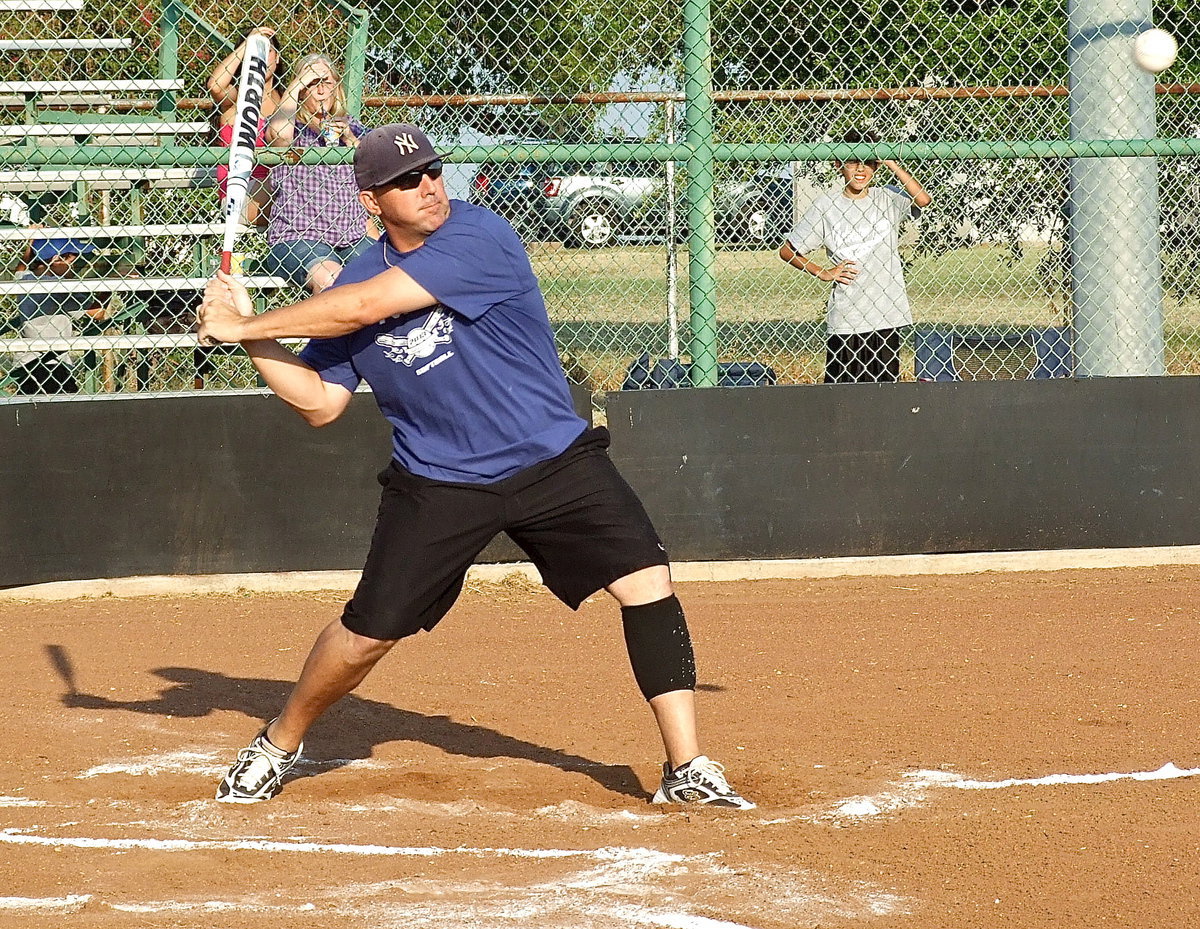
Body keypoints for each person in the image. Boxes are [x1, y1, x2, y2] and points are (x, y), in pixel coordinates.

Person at [197, 123, 754, 810]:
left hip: (548, 457)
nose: (429, 186)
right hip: (439, 480)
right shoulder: (355, 281)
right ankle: (278, 742)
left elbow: (366, 308)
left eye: (432, 170)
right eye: (407, 181)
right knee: (368, 633)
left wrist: (247, 326)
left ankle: (687, 764)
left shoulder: (478, 236)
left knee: (646, 579)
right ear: (371, 201)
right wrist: (251, 340)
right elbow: (319, 402)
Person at [779, 130, 932, 384]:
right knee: (843, 394)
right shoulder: (826, 206)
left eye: (869, 162)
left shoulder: (887, 197)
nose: (861, 170)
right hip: (848, 316)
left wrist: (891, 161)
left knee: (883, 391)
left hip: (885, 312)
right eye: (852, 162)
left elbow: (923, 199)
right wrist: (823, 271)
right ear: (839, 165)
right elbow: (788, 251)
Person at [261, 53, 374, 294]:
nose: (321, 89)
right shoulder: (292, 126)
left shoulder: (352, 126)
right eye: (312, 83)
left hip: (351, 236)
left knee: (382, 277)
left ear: (336, 87)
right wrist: (297, 84)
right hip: (298, 236)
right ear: (301, 91)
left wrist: (349, 139)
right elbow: (279, 137)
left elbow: (372, 165)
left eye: (326, 81)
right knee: (330, 278)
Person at [9, 237, 109, 394]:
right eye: (70, 260)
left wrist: (30, 241)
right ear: (56, 259)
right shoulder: (59, 287)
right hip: (54, 364)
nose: (73, 266)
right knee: (66, 413)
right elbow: (97, 313)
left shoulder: (26, 279)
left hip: (25, 363)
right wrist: (111, 286)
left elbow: (20, 268)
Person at [206, 26, 284, 226]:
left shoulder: (288, 101)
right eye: (256, 50)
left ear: (278, 57)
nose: (262, 56)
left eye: (267, 50)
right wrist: (247, 45)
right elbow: (216, 86)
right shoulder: (237, 98)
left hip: (285, 190)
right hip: (241, 196)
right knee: (285, 184)